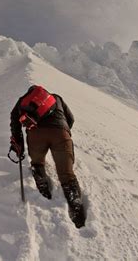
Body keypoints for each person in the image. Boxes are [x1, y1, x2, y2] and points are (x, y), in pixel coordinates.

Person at [9, 85, 86, 228]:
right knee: (67, 174)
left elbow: (14, 121)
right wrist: (63, 131)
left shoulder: (22, 102)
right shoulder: (56, 98)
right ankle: (75, 204)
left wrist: (18, 142)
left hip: (36, 135)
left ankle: (42, 183)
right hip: (60, 133)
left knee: (37, 162)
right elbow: (71, 119)